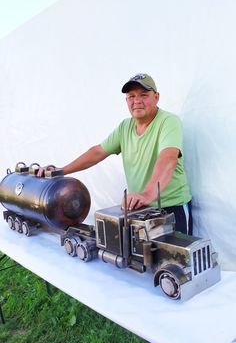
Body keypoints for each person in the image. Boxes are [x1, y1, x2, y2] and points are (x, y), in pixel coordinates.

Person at [38, 73, 192, 234]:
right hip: (141, 210)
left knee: (177, 257)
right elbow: (97, 152)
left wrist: (147, 194)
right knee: (144, 257)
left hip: (172, 208)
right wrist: (61, 171)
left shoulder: (168, 121)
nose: (137, 101)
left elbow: (168, 158)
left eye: (144, 95)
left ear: (156, 97)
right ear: (126, 101)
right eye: (131, 96)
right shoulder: (125, 127)